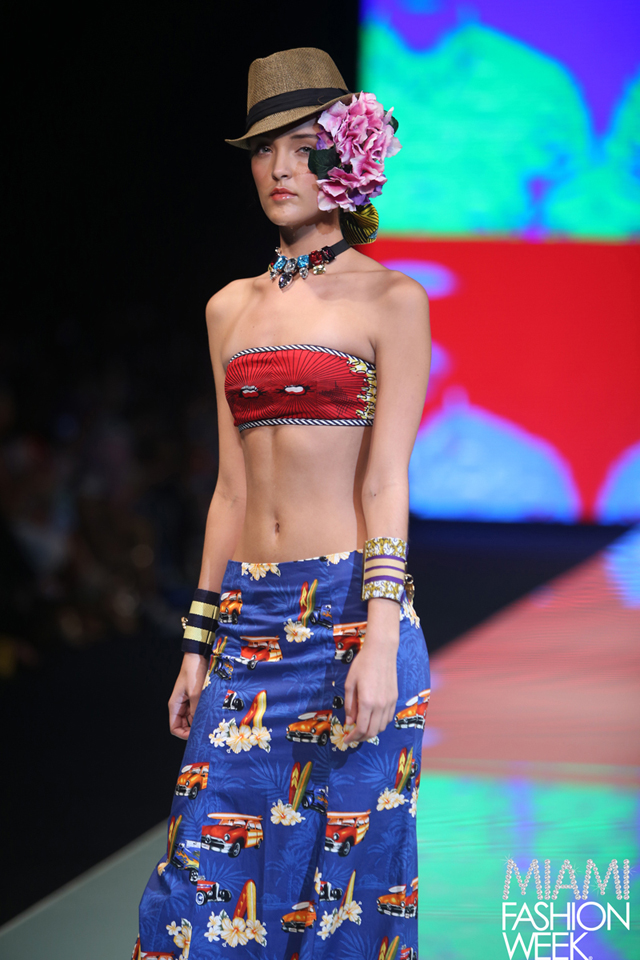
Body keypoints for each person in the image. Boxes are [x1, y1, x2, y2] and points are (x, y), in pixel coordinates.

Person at [135, 47, 431, 960]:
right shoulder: (229, 308)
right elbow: (231, 487)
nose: (278, 168)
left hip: (350, 619)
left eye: (303, 146)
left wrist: (379, 638)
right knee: (198, 894)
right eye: (263, 149)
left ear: (346, 155)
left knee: (344, 898)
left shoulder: (393, 300)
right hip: (249, 622)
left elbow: (386, 480)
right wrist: (197, 640)